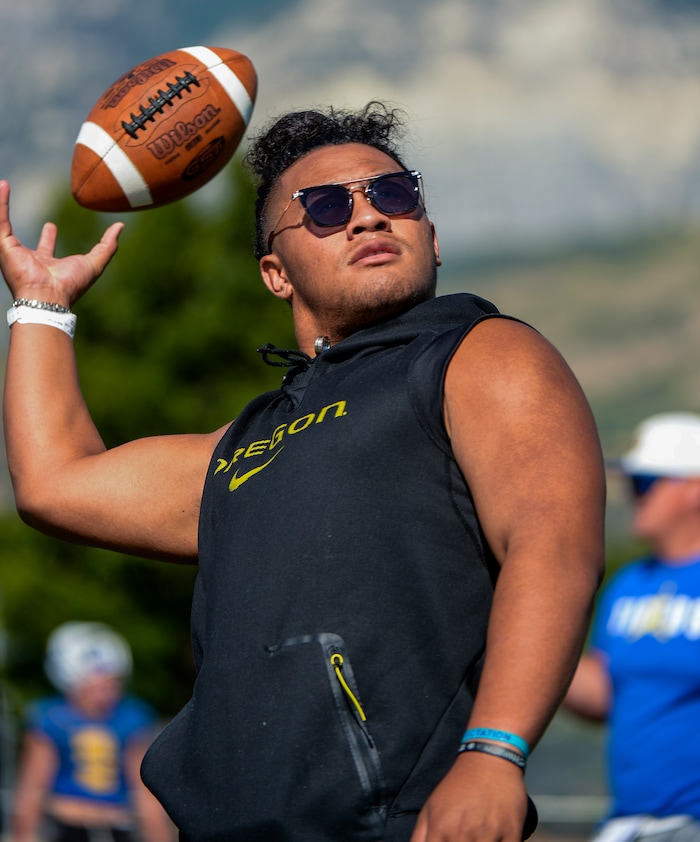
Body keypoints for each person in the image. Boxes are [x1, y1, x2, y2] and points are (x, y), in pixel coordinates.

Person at [0, 101, 606, 842]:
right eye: (324, 206)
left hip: (402, 823)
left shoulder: (478, 355)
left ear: (434, 238)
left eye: (393, 194)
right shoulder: (251, 442)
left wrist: (494, 751)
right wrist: (42, 305)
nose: (368, 217)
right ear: (275, 272)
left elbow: (551, 545)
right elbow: (54, 484)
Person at [565, 412, 700, 842]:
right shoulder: (627, 584)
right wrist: (518, 646)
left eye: (646, 483)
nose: (632, 494)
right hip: (629, 823)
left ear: (694, 489)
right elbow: (607, 694)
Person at [11, 621, 175, 842]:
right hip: (64, 829)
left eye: (113, 682)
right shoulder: (49, 717)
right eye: (97, 682)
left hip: (118, 827)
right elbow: (33, 788)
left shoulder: (132, 718)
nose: (106, 692)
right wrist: (24, 834)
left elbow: (145, 795)